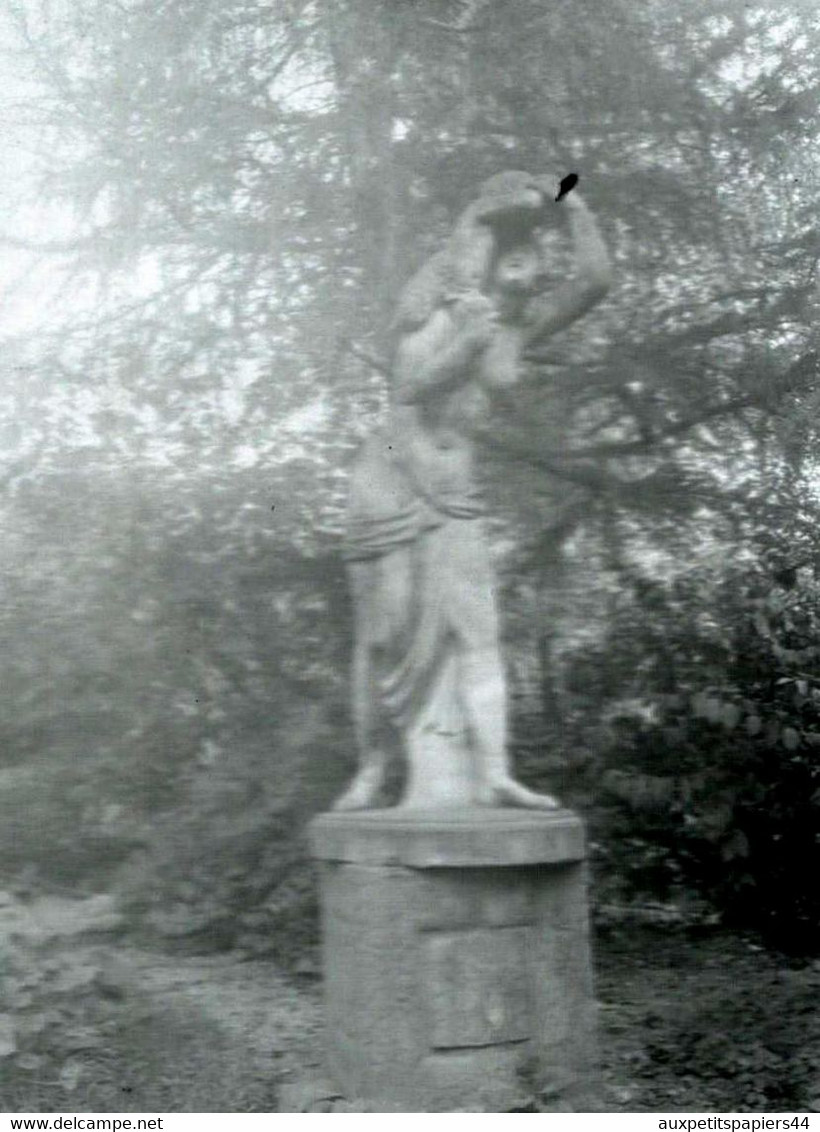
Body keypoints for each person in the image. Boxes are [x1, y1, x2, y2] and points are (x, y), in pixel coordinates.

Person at [336, 171, 612, 810]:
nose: (528, 271)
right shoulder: (431, 313)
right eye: (512, 251)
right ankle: (374, 770)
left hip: (454, 492)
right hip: (390, 481)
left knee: (478, 631)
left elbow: (595, 282)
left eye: (534, 259)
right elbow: (410, 391)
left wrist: (574, 204)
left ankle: (495, 773)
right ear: (482, 251)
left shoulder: (517, 327)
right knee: (384, 636)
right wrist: (469, 341)